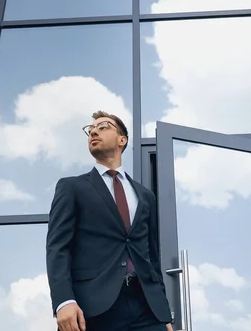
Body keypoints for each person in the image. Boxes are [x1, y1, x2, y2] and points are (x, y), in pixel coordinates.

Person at [46, 111, 173, 331]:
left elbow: (151, 257)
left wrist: (164, 315)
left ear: (122, 140)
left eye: (103, 126)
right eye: (90, 129)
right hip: (92, 309)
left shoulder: (145, 196)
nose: (93, 131)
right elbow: (58, 248)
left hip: (146, 309)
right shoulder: (72, 187)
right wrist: (63, 301)